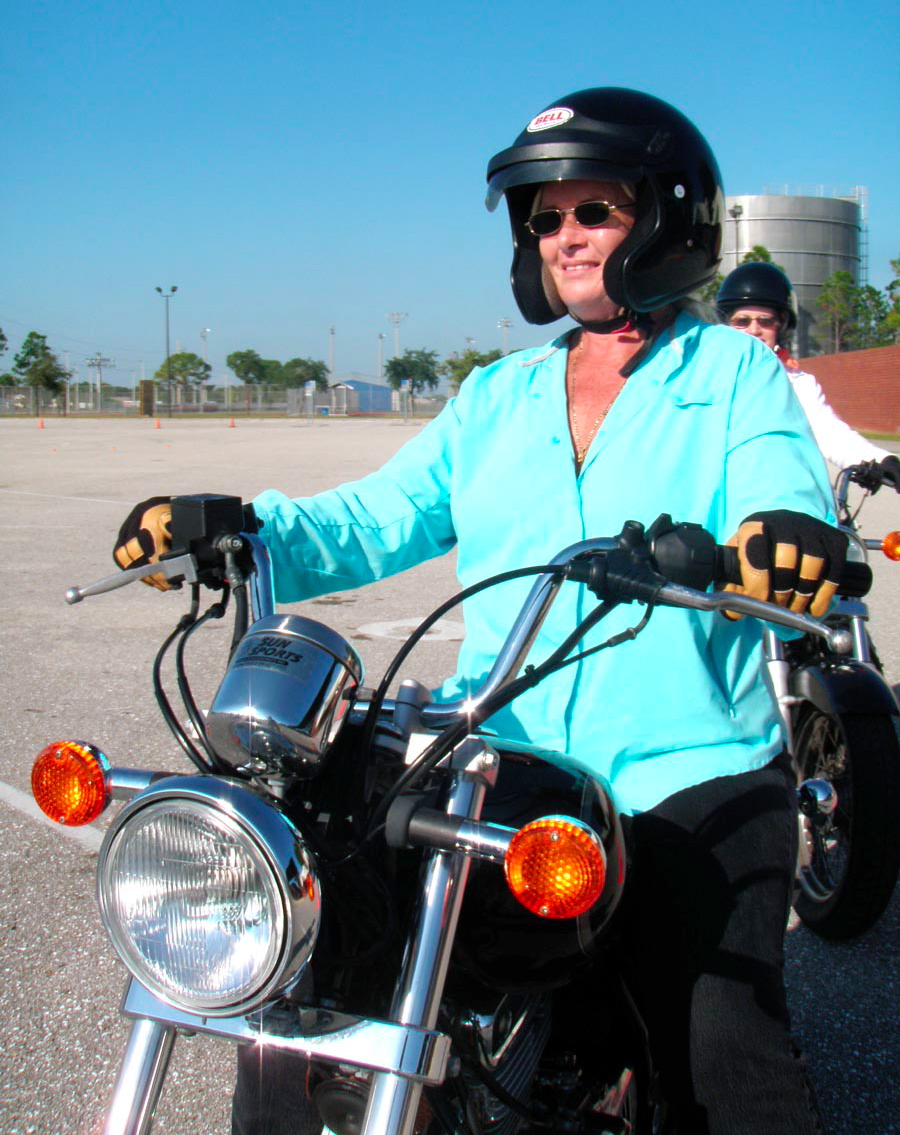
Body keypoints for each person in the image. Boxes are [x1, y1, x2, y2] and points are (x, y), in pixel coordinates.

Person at [115, 88, 845, 1134]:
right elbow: (377, 516)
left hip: (687, 769)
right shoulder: (497, 394)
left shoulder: (734, 374)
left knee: (723, 1044)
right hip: (500, 759)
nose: (565, 236)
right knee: (316, 988)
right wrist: (239, 527)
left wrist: (787, 536)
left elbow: (780, 482)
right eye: (546, 218)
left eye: (594, 210)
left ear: (668, 217)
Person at [717, 262, 900, 483]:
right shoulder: (707, 376)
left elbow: (829, 433)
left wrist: (881, 461)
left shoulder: (797, 383)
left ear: (782, 327)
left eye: (766, 321)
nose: (754, 330)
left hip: (775, 490)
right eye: (742, 321)